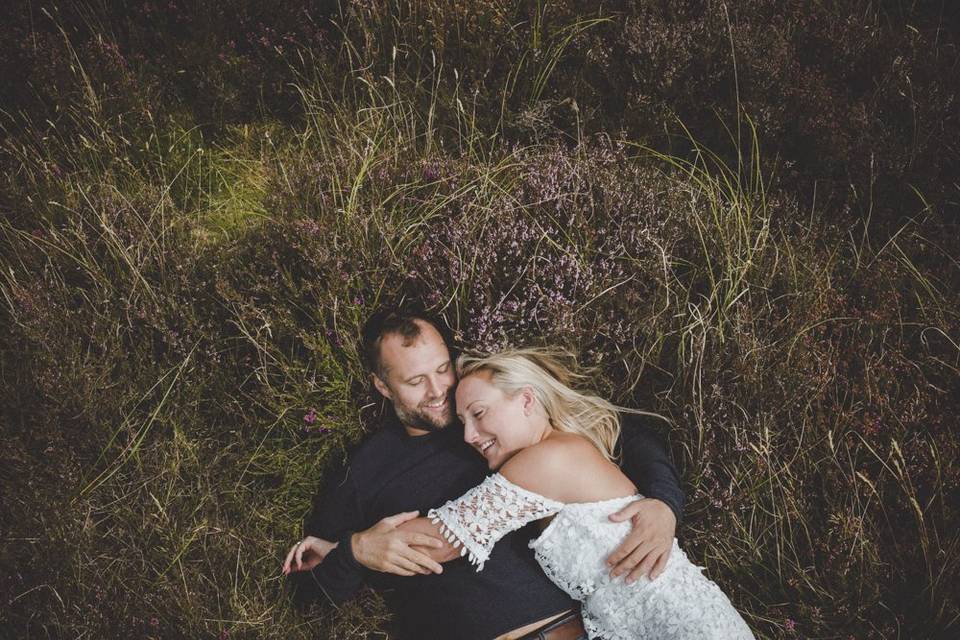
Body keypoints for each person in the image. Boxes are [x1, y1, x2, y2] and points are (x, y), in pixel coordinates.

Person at [283, 309, 685, 639]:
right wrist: (356, 552)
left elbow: (623, 433)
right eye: (415, 381)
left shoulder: (497, 419)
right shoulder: (362, 470)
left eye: (442, 369)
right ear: (382, 386)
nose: (438, 390)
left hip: (574, 629)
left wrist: (665, 504)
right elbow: (308, 595)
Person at [399, 348, 755, 639]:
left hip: (687, 627)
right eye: (463, 423)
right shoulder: (554, 454)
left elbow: (444, 539)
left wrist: (357, 546)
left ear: (526, 400)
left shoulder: (547, 461)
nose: (469, 436)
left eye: (478, 414)